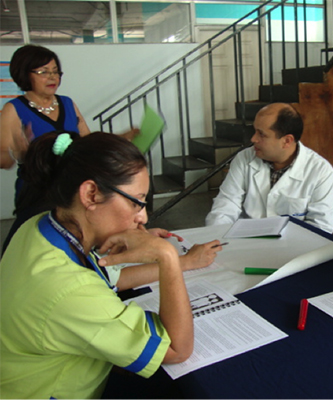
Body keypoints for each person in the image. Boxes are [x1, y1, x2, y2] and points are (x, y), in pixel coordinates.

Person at [0, 131, 221, 398]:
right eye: (136, 202)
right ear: (91, 193)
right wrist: (168, 258)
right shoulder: (72, 291)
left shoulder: (42, 226)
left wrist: (186, 261)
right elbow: (177, 349)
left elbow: (109, 278)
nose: (143, 217)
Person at [0, 44, 136, 252]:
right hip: (37, 191)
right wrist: (20, 153)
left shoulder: (67, 103)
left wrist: (120, 139)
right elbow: (3, 160)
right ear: (24, 74)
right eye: (43, 72)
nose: (52, 77)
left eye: (55, 72)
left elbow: (87, 142)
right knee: (38, 245)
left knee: (77, 242)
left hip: (72, 186)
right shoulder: (13, 109)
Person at [205, 102, 333, 233]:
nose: (253, 139)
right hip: (245, 241)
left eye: (261, 134)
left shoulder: (320, 171)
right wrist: (215, 237)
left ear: (286, 141)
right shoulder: (244, 158)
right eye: (254, 131)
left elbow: (321, 227)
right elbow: (226, 205)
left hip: (293, 246)